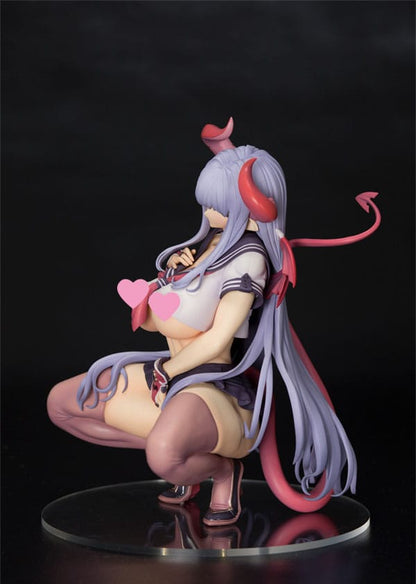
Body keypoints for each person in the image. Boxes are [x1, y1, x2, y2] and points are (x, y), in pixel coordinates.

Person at [47, 118, 380, 526]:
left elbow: (218, 337)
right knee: (63, 406)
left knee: (162, 455)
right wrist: (169, 279)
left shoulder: (249, 259)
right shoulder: (203, 247)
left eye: (219, 206)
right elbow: (155, 324)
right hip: (170, 375)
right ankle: (186, 459)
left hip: (213, 386)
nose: (209, 213)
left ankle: (221, 471)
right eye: (207, 203)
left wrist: (169, 372)